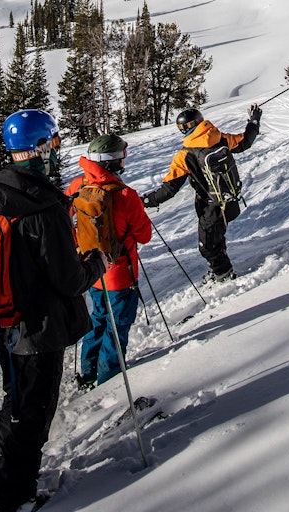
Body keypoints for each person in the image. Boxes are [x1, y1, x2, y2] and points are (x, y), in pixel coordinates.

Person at [0, 109, 106, 512]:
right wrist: (96, 264)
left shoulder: (1, 193)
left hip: (5, 322)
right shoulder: (42, 206)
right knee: (33, 411)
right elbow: (68, 279)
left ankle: (3, 481)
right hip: (38, 328)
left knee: (15, 402)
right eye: (52, 143)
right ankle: (13, 497)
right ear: (37, 148)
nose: (56, 150)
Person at [65, 134, 152, 388]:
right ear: (113, 162)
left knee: (99, 317)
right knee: (117, 327)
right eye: (121, 157)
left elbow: (63, 219)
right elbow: (144, 235)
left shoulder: (77, 186)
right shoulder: (126, 195)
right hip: (120, 274)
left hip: (91, 270)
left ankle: (88, 372)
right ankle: (109, 380)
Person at [140, 104, 261, 282]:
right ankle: (221, 271)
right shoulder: (219, 138)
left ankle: (223, 275)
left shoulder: (185, 155)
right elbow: (244, 142)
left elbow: (169, 189)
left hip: (211, 207)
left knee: (208, 246)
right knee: (215, 238)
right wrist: (254, 122)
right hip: (230, 202)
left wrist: (146, 200)